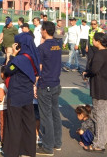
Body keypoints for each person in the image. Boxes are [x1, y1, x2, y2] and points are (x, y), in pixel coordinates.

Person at [3, 30, 40, 157]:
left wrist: (12, 55)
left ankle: (13, 152)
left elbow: (8, 69)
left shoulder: (19, 59)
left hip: (16, 95)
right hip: (27, 95)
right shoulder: (33, 56)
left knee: (14, 125)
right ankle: (29, 151)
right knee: (28, 124)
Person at [82, 33, 107, 153]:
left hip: (99, 87)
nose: (92, 42)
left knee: (99, 116)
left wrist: (86, 74)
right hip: (105, 87)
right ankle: (102, 140)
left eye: (94, 40)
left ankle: (98, 144)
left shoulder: (99, 54)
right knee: (104, 115)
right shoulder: (106, 52)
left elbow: (94, 70)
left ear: (98, 41)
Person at [36, 21, 62, 156]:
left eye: (41, 29)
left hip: (45, 83)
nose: (40, 31)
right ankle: (57, 143)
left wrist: (35, 84)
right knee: (55, 114)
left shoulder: (42, 48)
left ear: (45, 30)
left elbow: (39, 68)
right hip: (56, 83)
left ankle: (47, 147)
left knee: (46, 117)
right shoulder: (57, 45)